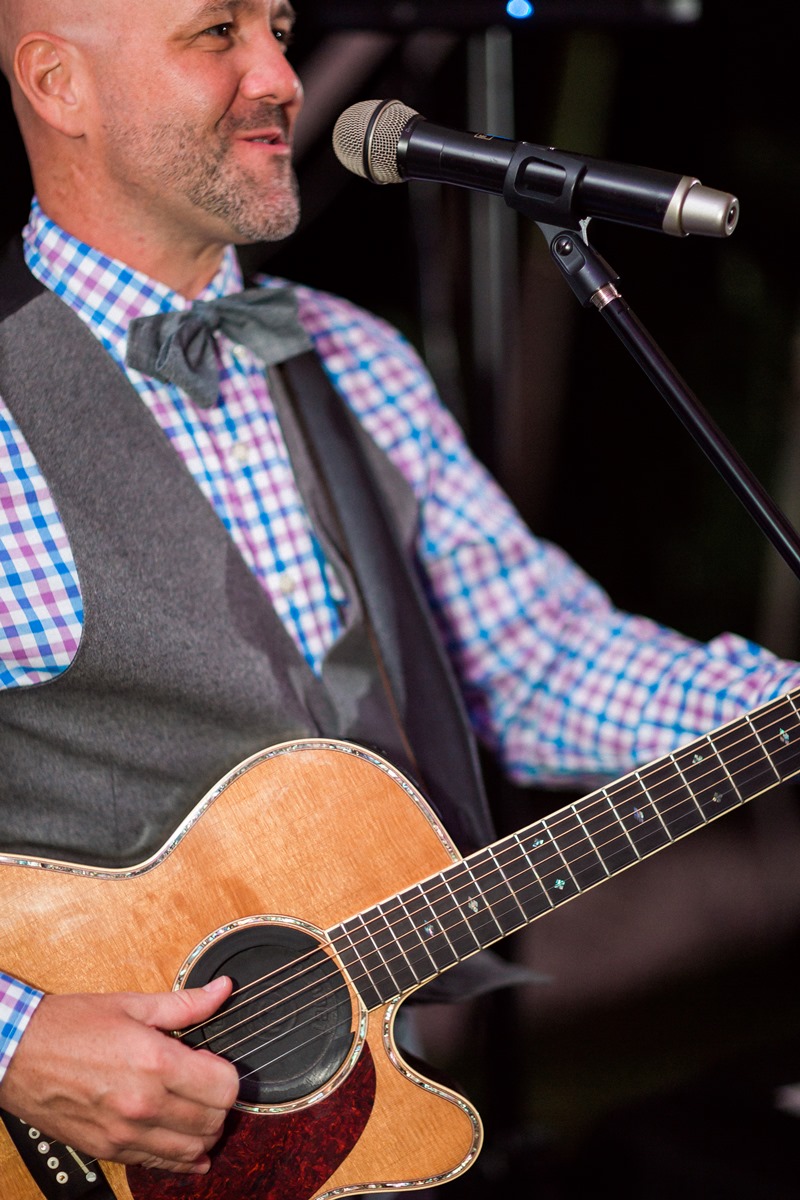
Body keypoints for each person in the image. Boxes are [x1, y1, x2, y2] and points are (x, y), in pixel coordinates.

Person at [1, 0, 799, 1188]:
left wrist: (782, 705)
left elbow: (531, 658)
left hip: (350, 1124)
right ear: (58, 83)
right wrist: (16, 1043)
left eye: (278, 27)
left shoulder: (352, 356)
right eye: (215, 34)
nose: (280, 77)